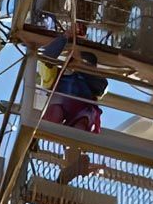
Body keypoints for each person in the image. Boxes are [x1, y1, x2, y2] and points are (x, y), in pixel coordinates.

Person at [38, 33, 108, 183]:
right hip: (61, 106)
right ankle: (36, 139)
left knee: (79, 127)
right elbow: (47, 58)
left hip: (81, 111)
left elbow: (100, 84)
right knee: (55, 114)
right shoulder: (54, 76)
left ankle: (73, 164)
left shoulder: (94, 82)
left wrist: (80, 60)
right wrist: (64, 38)